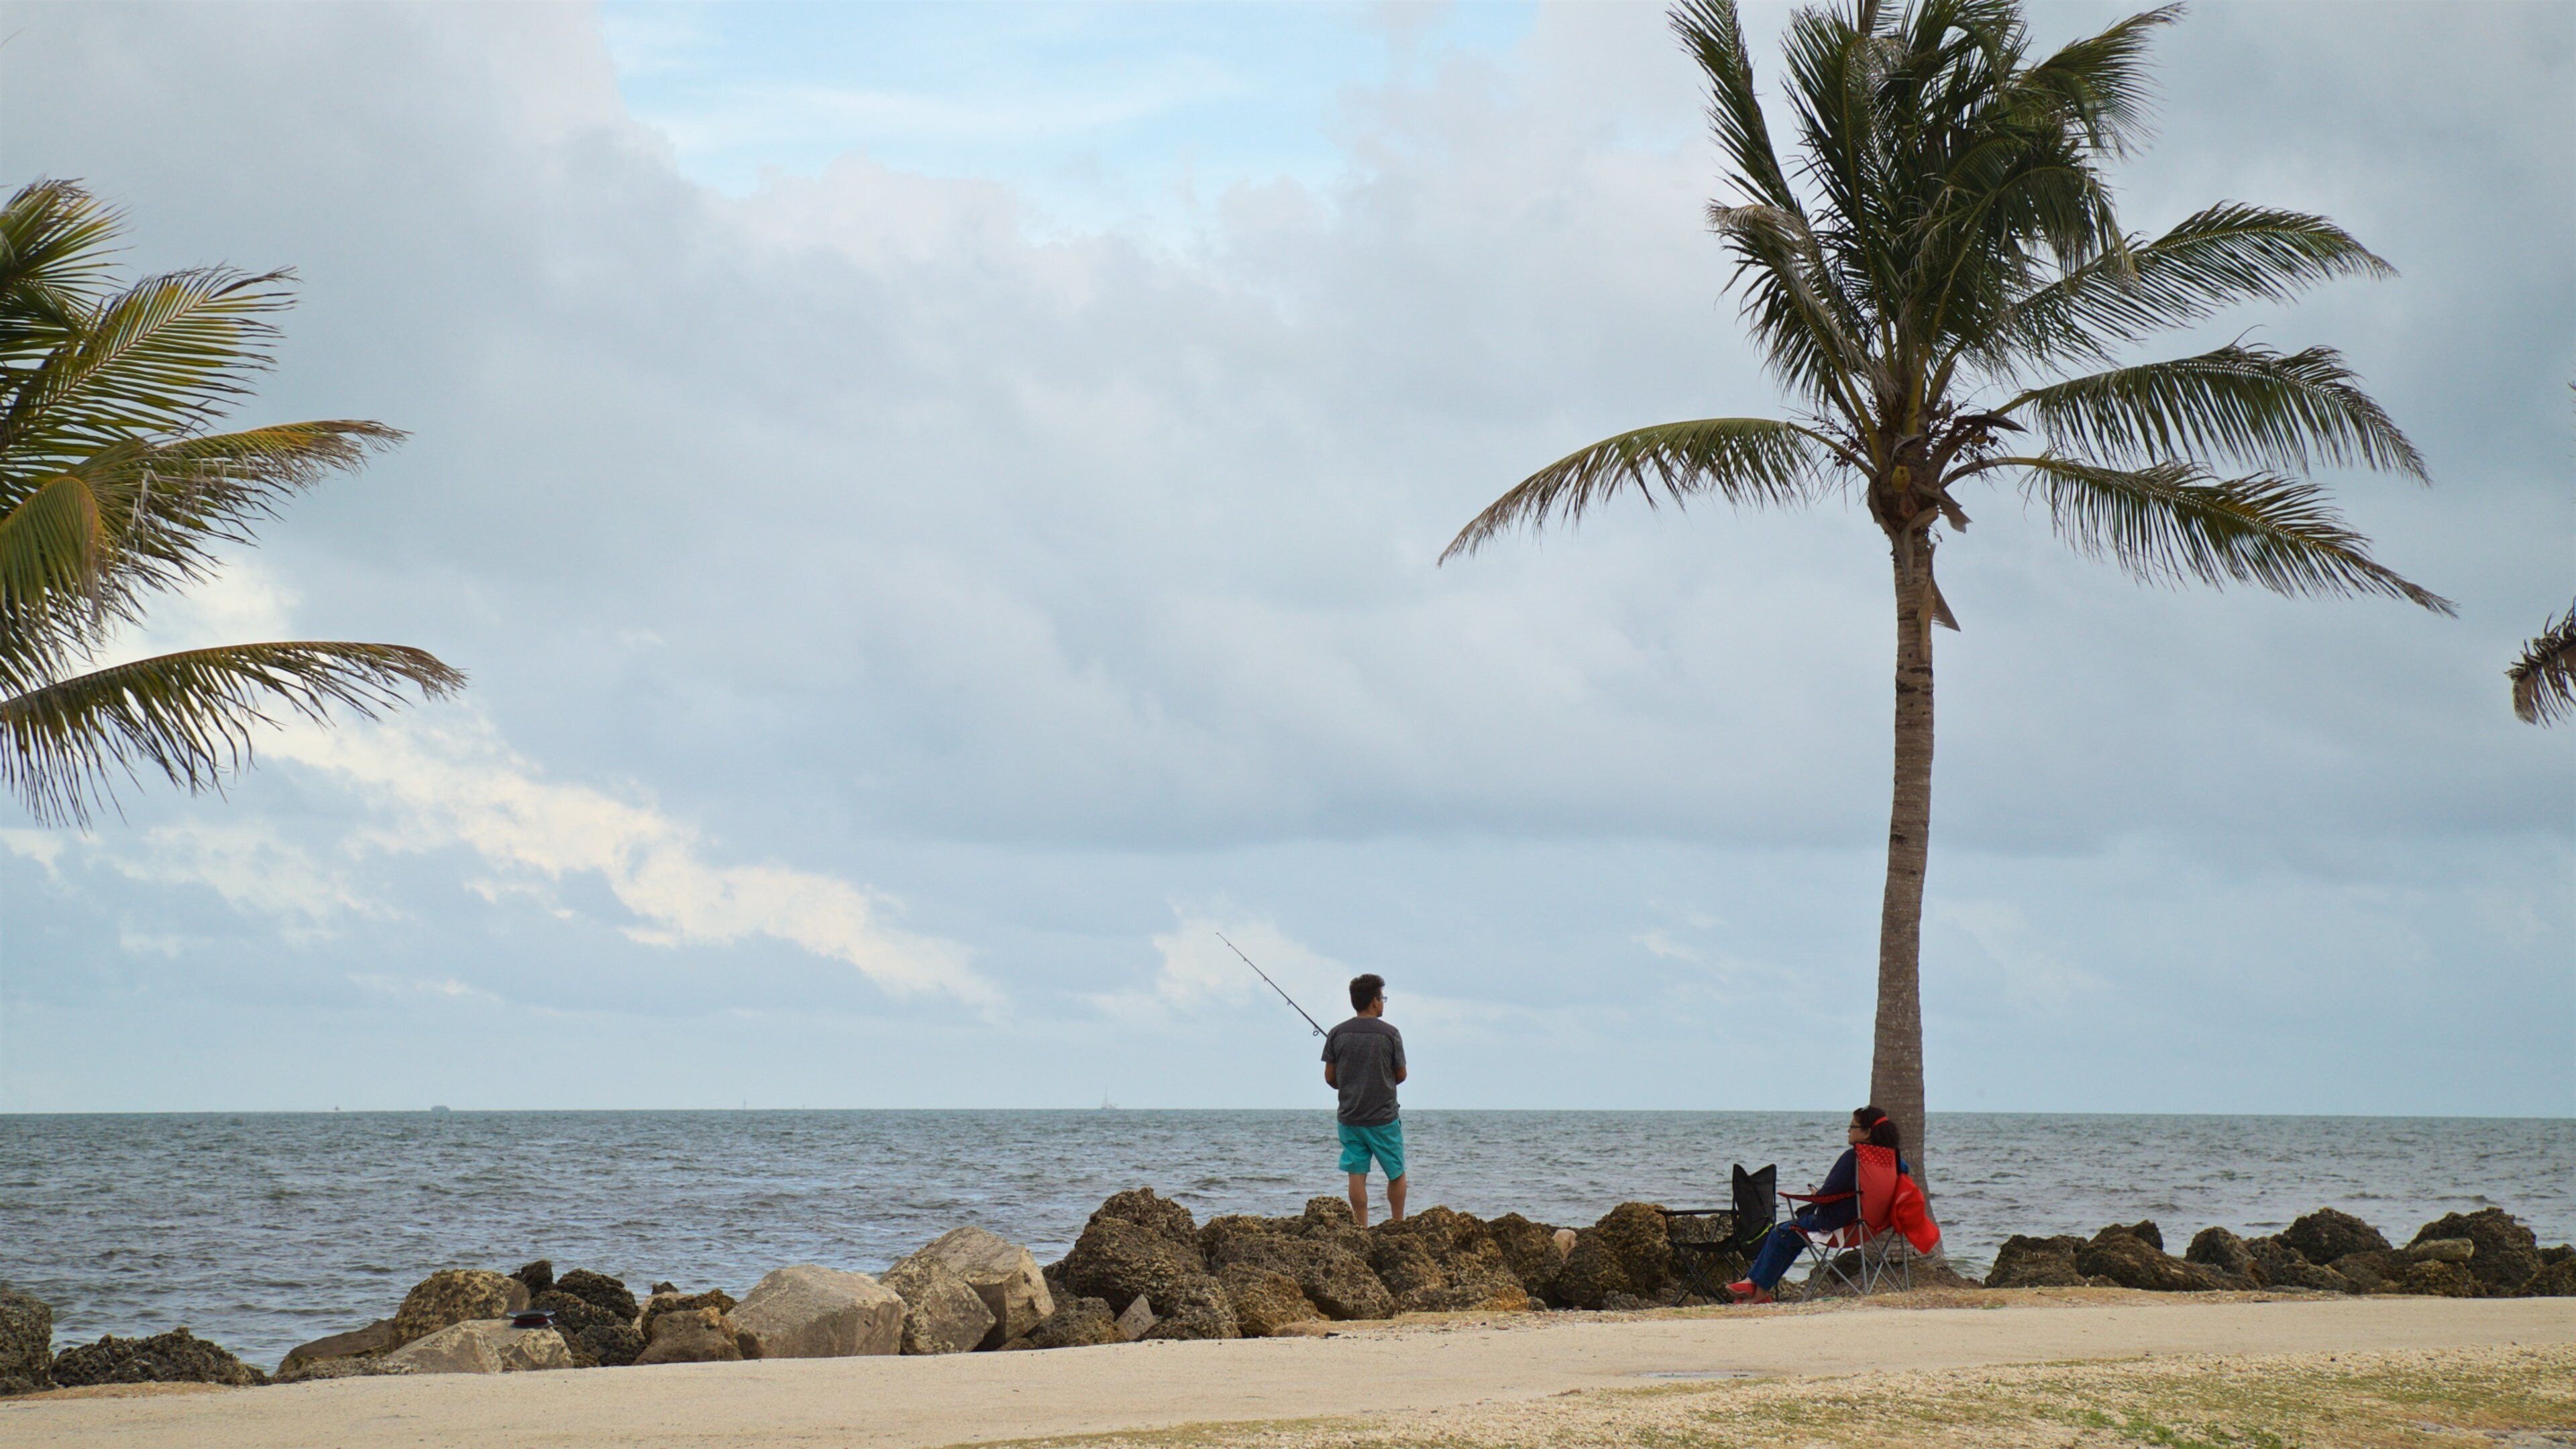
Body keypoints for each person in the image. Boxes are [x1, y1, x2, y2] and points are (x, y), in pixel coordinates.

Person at [1728, 1105, 1915, 1303]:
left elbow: (1829, 1193)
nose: (1848, 1131)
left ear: (1867, 1132)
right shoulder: (1892, 1159)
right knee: (1792, 1236)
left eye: (1852, 1127)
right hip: (1871, 1226)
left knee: (1780, 1233)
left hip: (1838, 1225)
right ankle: (1756, 1289)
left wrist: (1817, 1196)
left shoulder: (1854, 1156)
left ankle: (1756, 1289)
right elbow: (1903, 1171)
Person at [1322, 973, 1406, 1226]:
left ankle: (1361, 1228)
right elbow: (1401, 1074)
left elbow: (1330, 1077)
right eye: (1382, 998)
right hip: (1384, 1118)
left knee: (1356, 1174)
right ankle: (1398, 1224)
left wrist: (1348, 1085)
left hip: (1350, 1118)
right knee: (1397, 1173)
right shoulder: (1391, 1034)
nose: (1383, 1003)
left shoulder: (1336, 1034)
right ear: (1373, 1001)